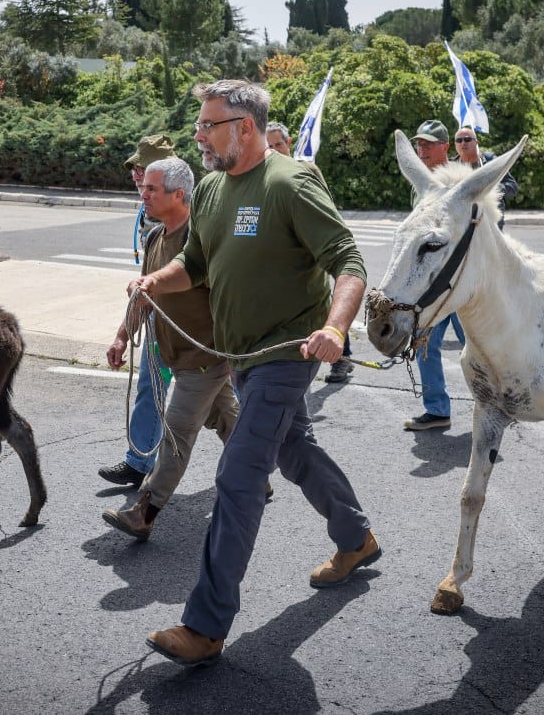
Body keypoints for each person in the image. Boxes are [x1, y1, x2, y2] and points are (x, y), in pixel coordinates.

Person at [135, 79, 377, 666]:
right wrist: (153, 282)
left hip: (286, 355)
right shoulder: (212, 190)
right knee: (294, 451)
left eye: (208, 124)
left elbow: (349, 262)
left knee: (239, 476)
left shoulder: (290, 183)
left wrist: (336, 329)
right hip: (238, 358)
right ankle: (356, 538)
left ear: (244, 127)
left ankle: (205, 626)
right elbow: (194, 263)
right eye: (199, 124)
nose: (199, 135)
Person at [102, 157, 241, 540]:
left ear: (179, 195)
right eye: (143, 187)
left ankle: (144, 511)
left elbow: (230, 299)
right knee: (225, 418)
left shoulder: (202, 240)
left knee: (177, 432)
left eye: (152, 189)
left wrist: (233, 353)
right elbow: (144, 299)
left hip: (205, 358)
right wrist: (121, 337)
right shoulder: (154, 238)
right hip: (173, 354)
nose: (143, 195)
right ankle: (255, 474)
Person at [98, 134, 175, 488]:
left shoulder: (188, 215)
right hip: (161, 317)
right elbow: (147, 284)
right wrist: (122, 335)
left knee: (220, 404)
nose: (135, 175)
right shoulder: (150, 213)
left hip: (198, 327)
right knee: (150, 386)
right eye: (135, 168)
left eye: (143, 169)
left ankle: (254, 466)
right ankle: (139, 461)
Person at [267, 120, 356, 384]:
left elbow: (324, 209)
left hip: (311, 249)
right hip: (282, 253)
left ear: (289, 143)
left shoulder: (306, 170)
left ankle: (341, 357)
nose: (274, 150)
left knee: (324, 302)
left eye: (278, 144)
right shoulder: (262, 173)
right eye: (269, 146)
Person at [404, 119, 466, 432]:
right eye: (419, 144)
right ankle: (437, 410)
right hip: (432, 286)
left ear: (445, 146)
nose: (422, 149)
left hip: (462, 283)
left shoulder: (461, 181)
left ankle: (502, 402)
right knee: (424, 344)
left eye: (428, 144)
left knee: (481, 347)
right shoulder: (420, 185)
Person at [454, 126, 519, 227]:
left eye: (467, 139)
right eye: (459, 140)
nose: (463, 143)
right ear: (455, 145)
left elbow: (512, 187)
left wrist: (491, 188)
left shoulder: (491, 162)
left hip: (490, 224)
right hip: (461, 226)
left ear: (476, 142)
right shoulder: (451, 166)